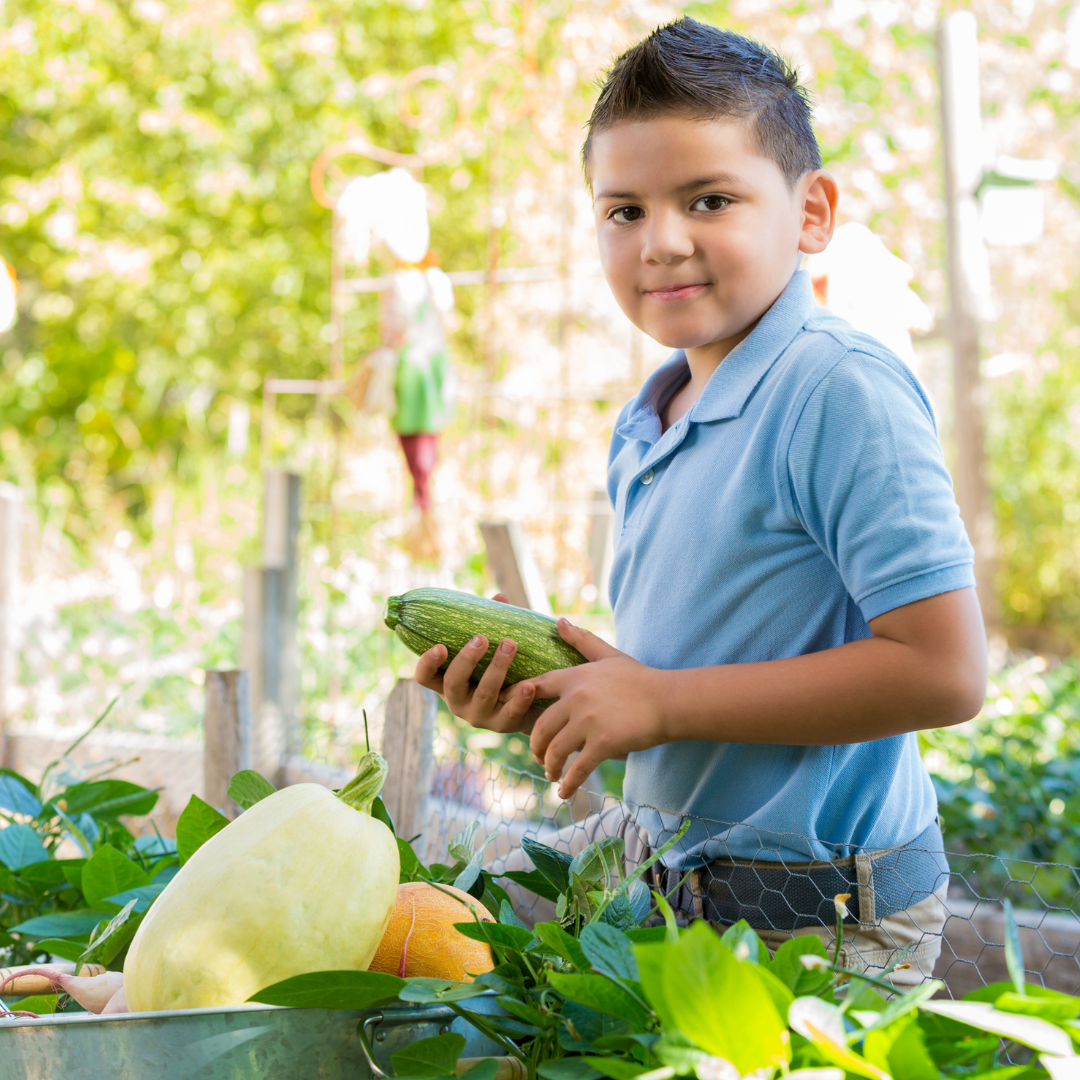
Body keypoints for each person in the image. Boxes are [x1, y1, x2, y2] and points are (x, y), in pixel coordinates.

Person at [414, 18, 988, 984]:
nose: (662, 241)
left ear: (810, 215)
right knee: (418, 935)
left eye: (709, 199)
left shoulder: (837, 389)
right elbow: (697, 674)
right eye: (623, 210)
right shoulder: (650, 419)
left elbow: (944, 672)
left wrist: (664, 701)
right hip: (675, 890)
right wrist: (569, 703)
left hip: (825, 923)